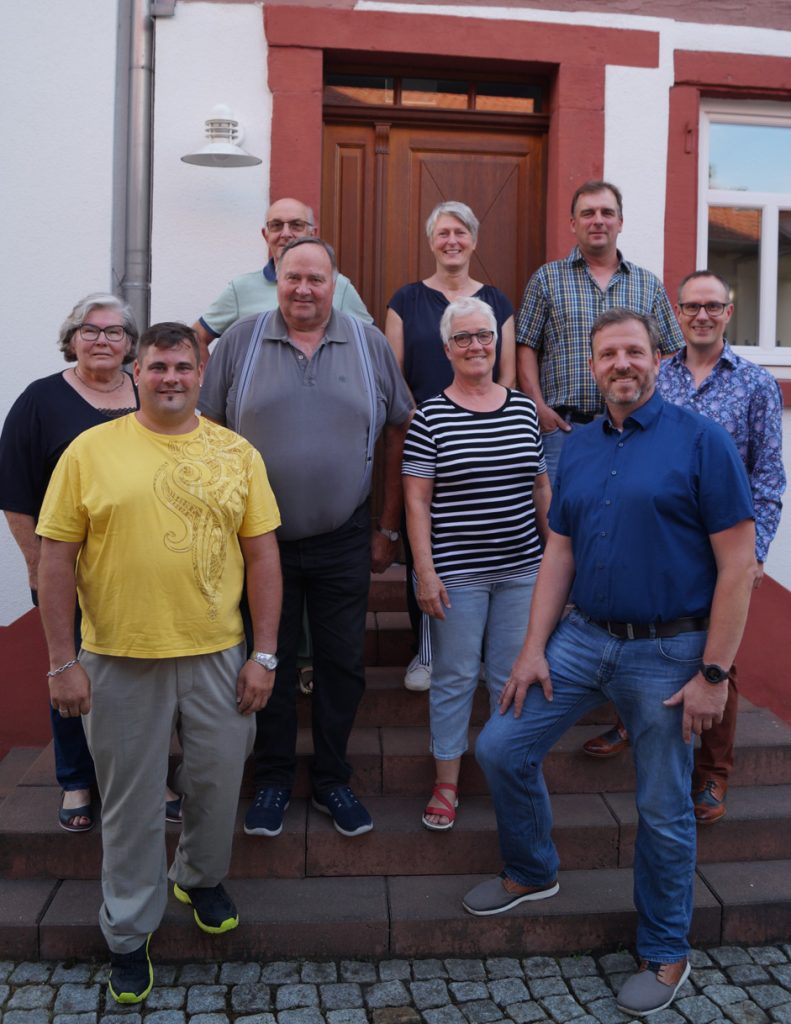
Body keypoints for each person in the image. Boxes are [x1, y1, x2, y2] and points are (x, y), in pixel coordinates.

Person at [464, 308, 756, 1017]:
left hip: (668, 651)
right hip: (583, 638)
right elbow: (559, 551)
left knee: (661, 806)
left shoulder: (702, 442)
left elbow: (737, 565)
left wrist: (713, 674)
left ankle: (664, 948)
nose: (620, 364)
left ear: (656, 359)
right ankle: (533, 869)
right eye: (607, 355)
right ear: (591, 367)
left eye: (633, 351)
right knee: (501, 746)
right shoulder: (577, 447)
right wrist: (532, 648)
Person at [35, 322, 282, 1004]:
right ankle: (128, 930)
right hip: (119, 657)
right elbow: (55, 559)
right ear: (135, 373)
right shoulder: (90, 451)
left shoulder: (236, 452)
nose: (170, 377)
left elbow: (263, 555)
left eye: (182, 366)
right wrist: (60, 662)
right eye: (157, 366)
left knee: (217, 782)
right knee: (131, 802)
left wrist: (264, 654)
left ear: (200, 374)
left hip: (218, 653)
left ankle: (197, 878)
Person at [200, 237, 413, 840]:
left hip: (344, 534)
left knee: (342, 662)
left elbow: (398, 430)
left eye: (316, 278)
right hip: (256, 542)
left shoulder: (368, 343)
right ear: (278, 278)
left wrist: (387, 526)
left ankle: (331, 778)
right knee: (264, 656)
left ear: (334, 284)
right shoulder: (240, 341)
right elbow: (208, 432)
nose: (303, 289)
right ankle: (271, 778)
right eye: (292, 276)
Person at [582, 272, 786, 824]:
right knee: (641, 632)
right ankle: (629, 723)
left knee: (720, 655)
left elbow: (768, 477)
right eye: (692, 306)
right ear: (677, 312)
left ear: (728, 312)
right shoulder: (657, 372)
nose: (702, 315)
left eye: (712, 306)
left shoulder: (755, 384)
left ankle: (712, 772)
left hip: (723, 543)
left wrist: (756, 553)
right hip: (659, 539)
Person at [403, 296, 549, 830]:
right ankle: (447, 782)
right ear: (447, 349)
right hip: (457, 575)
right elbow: (416, 500)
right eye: (462, 338)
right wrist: (425, 572)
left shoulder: (523, 410)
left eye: (483, 335)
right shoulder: (430, 416)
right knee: (455, 677)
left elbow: (540, 487)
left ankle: (510, 771)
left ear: (496, 342)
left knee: (513, 676)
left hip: (522, 571)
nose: (475, 346)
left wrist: (556, 556)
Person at [0, 293, 139, 832]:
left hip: (141, 572)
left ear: (130, 343)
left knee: (142, 680)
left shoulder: (147, 391)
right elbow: (15, 492)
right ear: (71, 339)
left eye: (114, 331)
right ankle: (77, 778)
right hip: (68, 572)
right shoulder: (41, 399)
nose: (102, 340)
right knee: (70, 670)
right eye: (90, 330)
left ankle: (147, 777)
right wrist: (37, 565)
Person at [386, 200, 516, 692]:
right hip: (426, 434)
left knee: (477, 533)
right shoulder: (405, 300)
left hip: (485, 439)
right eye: (443, 233)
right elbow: (393, 375)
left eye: (461, 232)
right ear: (431, 241)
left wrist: (486, 422)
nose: (452, 241)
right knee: (425, 535)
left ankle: (479, 650)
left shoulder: (498, 301)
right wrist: (422, 420)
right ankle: (426, 650)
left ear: (474, 241)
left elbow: (506, 374)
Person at [516, 180, 684, 481]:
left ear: (620, 222)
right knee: (561, 508)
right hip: (564, 430)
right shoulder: (546, 279)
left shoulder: (648, 284)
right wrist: (537, 407)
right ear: (573, 223)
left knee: (631, 505)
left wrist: (655, 410)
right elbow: (526, 345)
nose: (598, 221)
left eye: (607, 213)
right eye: (588, 213)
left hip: (635, 428)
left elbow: (671, 352)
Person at [192, 196, 372, 364]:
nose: (286, 233)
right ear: (266, 235)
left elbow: (371, 343)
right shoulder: (240, 289)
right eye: (276, 225)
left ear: (312, 233)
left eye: (296, 225)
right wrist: (208, 381)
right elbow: (196, 337)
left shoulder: (339, 285)